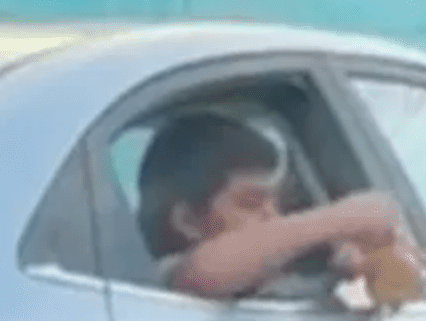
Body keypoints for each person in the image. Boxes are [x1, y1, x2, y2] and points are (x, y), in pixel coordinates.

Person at [136, 110, 406, 300]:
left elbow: (393, 287)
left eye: (276, 202)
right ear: (188, 222)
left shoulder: (275, 282)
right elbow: (203, 273)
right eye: (250, 204)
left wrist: (358, 270)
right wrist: (344, 218)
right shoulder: (160, 285)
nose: (273, 217)